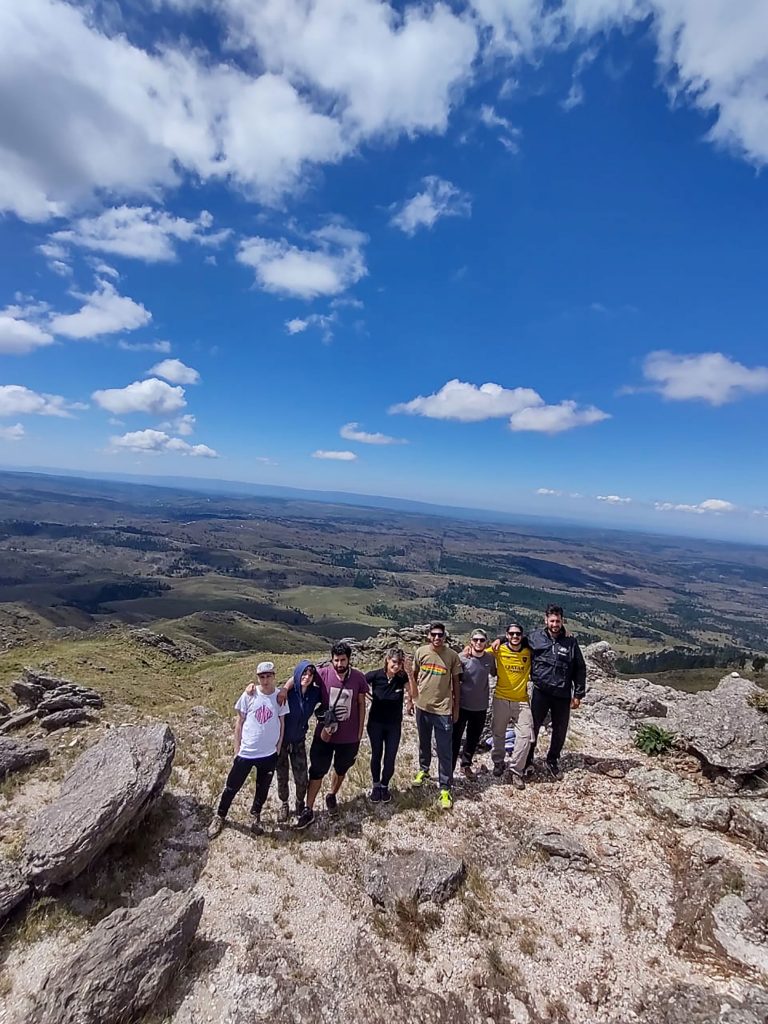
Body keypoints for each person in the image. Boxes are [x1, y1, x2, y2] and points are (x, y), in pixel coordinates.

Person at [208, 660, 288, 838]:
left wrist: (278, 747)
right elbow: (239, 722)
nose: (265, 680)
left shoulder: (279, 697)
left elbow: (282, 723)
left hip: (269, 754)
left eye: (268, 676)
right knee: (232, 786)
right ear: (257, 677)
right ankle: (220, 815)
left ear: (274, 676)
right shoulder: (249, 695)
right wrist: (237, 750)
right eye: (262, 677)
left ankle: (255, 816)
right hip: (247, 751)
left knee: (263, 787)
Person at [302, 641, 369, 828]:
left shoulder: (358, 678)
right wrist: (284, 689)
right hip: (324, 735)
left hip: (349, 738)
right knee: (317, 770)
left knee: (341, 769)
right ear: (331, 660)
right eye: (336, 660)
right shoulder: (322, 674)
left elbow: (361, 703)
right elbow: (301, 675)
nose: (339, 664)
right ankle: (309, 808)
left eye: (343, 660)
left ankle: (331, 795)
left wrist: (360, 730)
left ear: (349, 660)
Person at [526, 604, 586, 781]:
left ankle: (552, 760)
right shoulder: (535, 637)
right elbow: (515, 639)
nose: (554, 624)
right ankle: (528, 760)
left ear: (562, 621)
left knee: (560, 729)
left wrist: (578, 694)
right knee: (533, 728)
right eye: (551, 620)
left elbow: (579, 668)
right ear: (546, 620)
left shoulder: (570, 642)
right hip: (541, 692)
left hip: (562, 693)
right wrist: (498, 640)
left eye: (558, 621)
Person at [409, 622, 462, 810]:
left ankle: (445, 786)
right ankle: (423, 770)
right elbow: (413, 676)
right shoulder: (421, 652)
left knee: (444, 749)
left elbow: (456, 683)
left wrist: (456, 708)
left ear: (445, 636)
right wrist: (410, 700)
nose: (437, 638)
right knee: (423, 742)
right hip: (422, 706)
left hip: (443, 709)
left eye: (440, 635)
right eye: (434, 634)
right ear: (428, 636)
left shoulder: (452, 656)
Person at [275, 660, 322, 826]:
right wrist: (286, 688)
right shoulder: (287, 692)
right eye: (304, 673)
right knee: (282, 775)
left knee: (302, 777)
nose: (307, 677)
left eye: (310, 674)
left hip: (299, 741)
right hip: (282, 741)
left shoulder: (315, 693)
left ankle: (300, 802)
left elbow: (327, 691)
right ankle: (284, 803)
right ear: (297, 674)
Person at [489, 623, 533, 790]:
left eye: (518, 634)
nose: (515, 637)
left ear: (522, 636)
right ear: (506, 635)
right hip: (501, 698)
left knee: (525, 735)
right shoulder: (498, 649)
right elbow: (476, 652)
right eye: (512, 634)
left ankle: (516, 770)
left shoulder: (528, 652)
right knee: (498, 733)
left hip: (521, 700)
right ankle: (498, 762)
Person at [365, 647, 410, 802]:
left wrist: (409, 673)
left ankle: (385, 786)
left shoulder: (402, 678)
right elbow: (360, 684)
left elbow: (414, 694)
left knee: (390, 757)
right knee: (376, 754)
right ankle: (376, 786)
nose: (396, 666)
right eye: (394, 662)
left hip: (394, 725)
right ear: (387, 660)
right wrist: (369, 697)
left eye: (399, 663)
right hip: (375, 723)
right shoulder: (376, 675)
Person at [452, 629, 495, 777]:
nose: (478, 642)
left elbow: (495, 672)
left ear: (486, 642)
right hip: (462, 705)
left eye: (482, 640)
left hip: (481, 706)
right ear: (470, 641)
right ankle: (449, 769)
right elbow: (454, 679)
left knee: (473, 738)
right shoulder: (462, 658)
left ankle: (466, 764)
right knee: (455, 738)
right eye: (475, 640)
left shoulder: (489, 659)